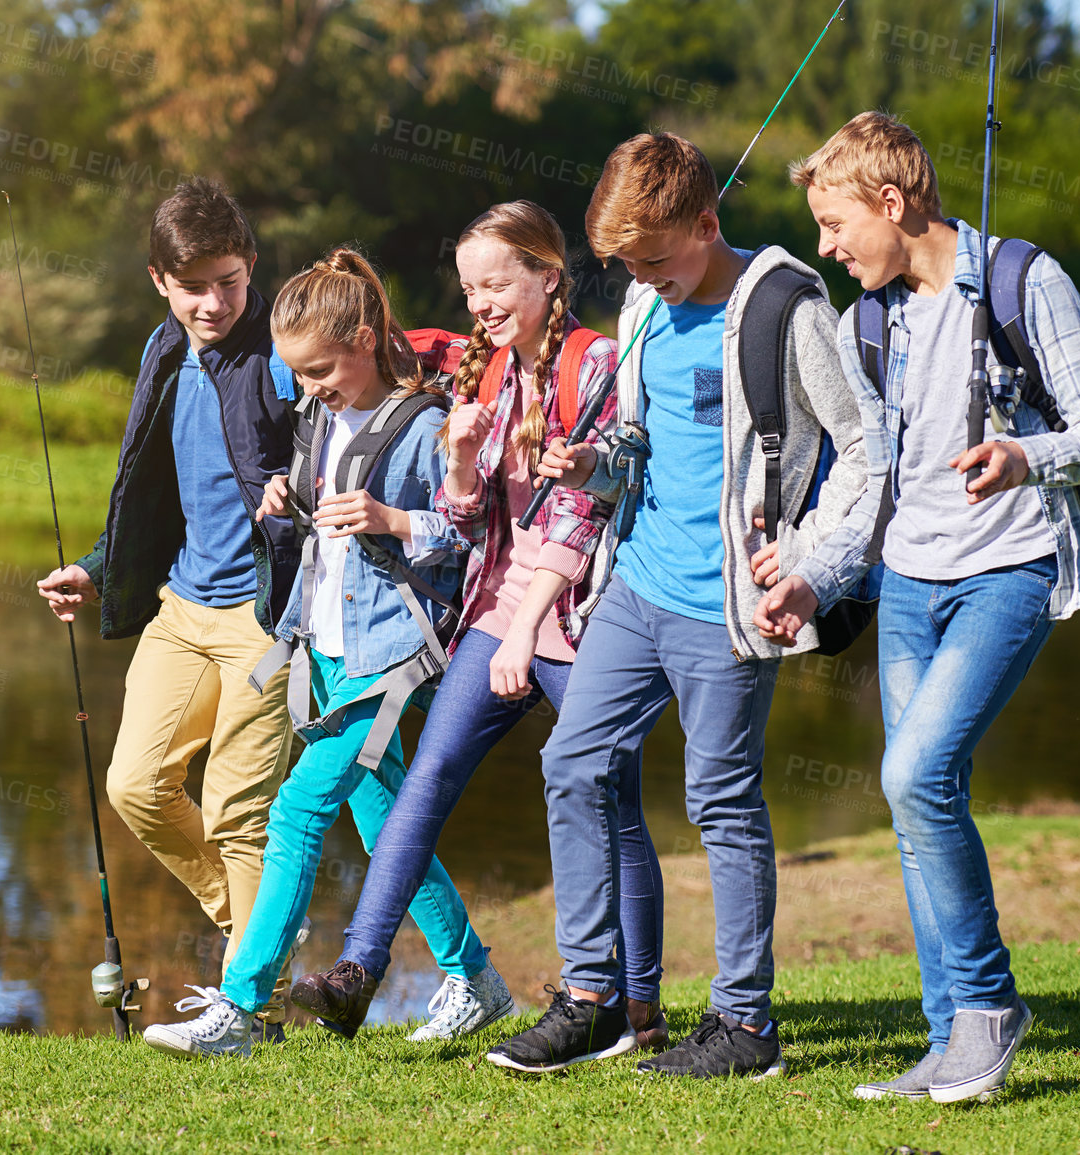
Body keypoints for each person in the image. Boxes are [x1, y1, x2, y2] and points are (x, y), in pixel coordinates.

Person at [764, 111, 1080, 1103]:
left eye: (836, 225)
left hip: (1010, 569)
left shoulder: (1023, 282)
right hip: (907, 586)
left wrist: (1027, 456)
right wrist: (816, 574)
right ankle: (947, 1043)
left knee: (915, 775)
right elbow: (872, 476)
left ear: (893, 203)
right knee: (915, 802)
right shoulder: (863, 324)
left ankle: (988, 1008)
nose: (827, 248)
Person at [487, 133, 867, 1076]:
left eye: (655, 259)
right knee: (572, 764)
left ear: (707, 222)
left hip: (730, 606)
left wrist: (814, 560)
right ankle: (593, 1000)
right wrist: (593, 464)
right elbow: (633, 444)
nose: (642, 280)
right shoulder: (643, 309)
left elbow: (866, 449)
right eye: (625, 266)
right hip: (637, 585)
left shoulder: (785, 304)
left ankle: (744, 1026)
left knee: (720, 802)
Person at [291, 201, 671, 1050]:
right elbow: (463, 522)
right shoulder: (485, 370)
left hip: (578, 615)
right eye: (470, 288)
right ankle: (356, 972)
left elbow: (588, 505)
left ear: (547, 274)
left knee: (614, 801)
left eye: (496, 282)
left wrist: (532, 621)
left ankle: (637, 1004)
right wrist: (460, 459)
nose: (481, 302)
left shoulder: (598, 362)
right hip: (495, 608)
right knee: (424, 781)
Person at [142, 247, 491, 1058]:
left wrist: (390, 518)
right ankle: (473, 975)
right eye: (298, 375)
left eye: (322, 371)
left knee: (295, 812)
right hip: (322, 645)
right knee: (388, 824)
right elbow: (317, 523)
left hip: (388, 657)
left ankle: (241, 1004)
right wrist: (281, 499)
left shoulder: (424, 424)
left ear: (366, 339)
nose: (309, 389)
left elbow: (468, 534)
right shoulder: (318, 418)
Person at [35, 178, 300, 1034]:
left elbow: (358, 435)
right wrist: (96, 567)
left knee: (238, 807)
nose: (215, 301)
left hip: (270, 620)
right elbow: (154, 498)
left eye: (230, 280)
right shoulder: (161, 351)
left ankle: (246, 1004)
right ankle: (262, 940)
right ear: (160, 281)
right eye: (195, 286)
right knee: (136, 784)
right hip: (182, 610)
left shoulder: (287, 348)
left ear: (250, 265)